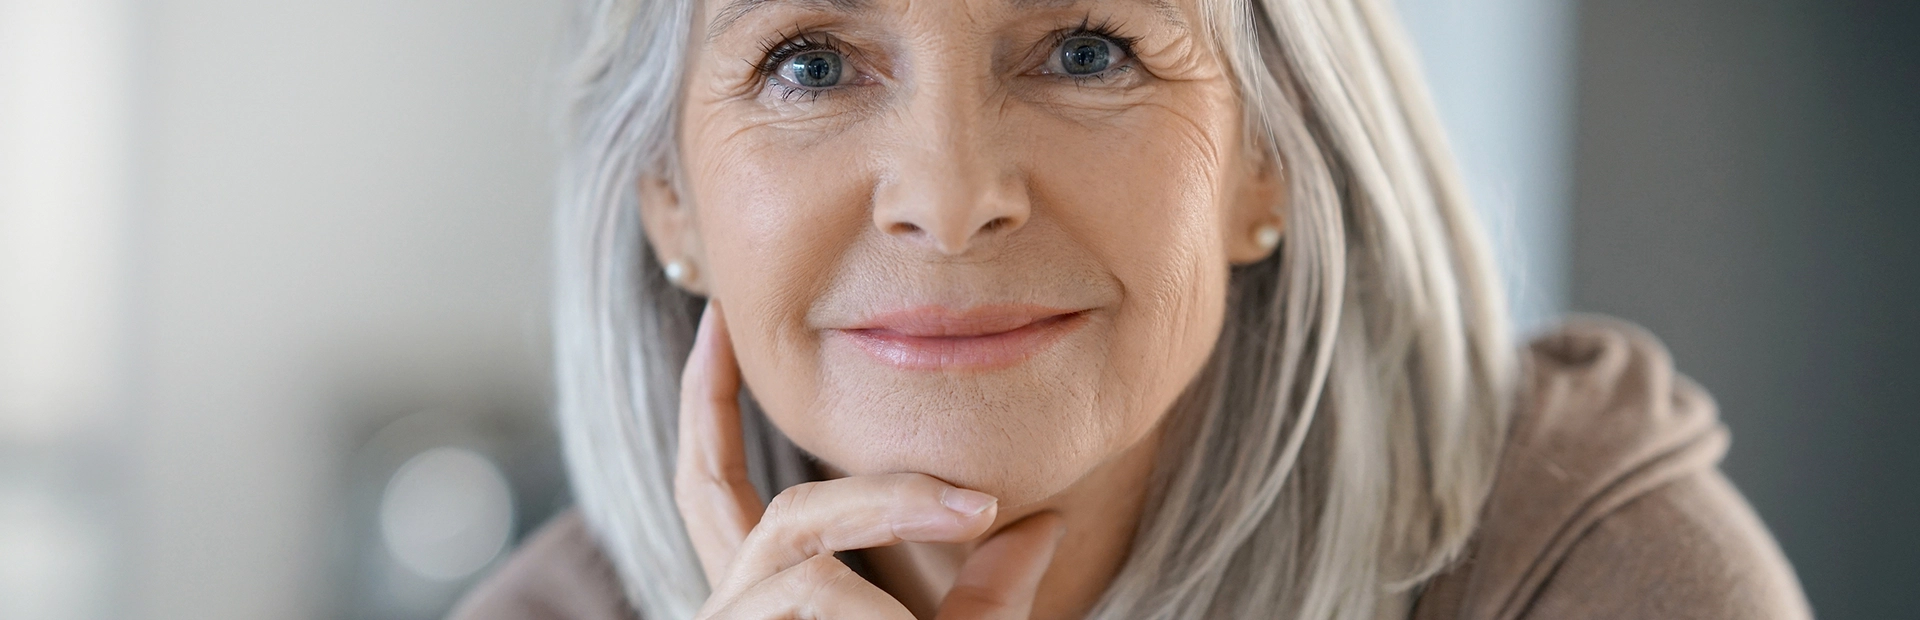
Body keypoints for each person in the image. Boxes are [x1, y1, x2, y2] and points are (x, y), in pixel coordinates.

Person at [453, 0, 1812, 617]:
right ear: (669, 198)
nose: (948, 191)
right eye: (810, 63)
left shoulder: (1597, 576)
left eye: (1086, 50)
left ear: (1270, 157)